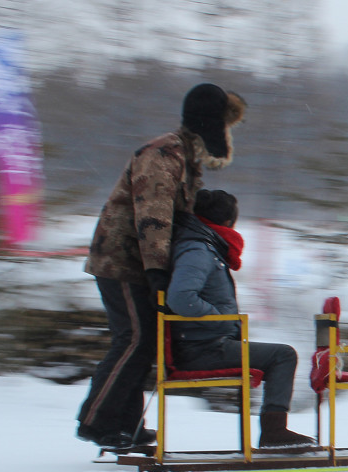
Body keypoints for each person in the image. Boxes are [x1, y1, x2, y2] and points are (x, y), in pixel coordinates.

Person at [77, 84, 247, 448]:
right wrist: (158, 272)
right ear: (210, 126)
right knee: (135, 339)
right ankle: (98, 419)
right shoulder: (164, 156)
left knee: (144, 341)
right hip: (122, 260)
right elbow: (154, 217)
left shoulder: (185, 159)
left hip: (138, 260)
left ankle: (125, 425)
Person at [167, 189, 315, 448]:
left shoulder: (202, 245)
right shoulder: (198, 249)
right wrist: (219, 319)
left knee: (279, 354)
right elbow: (181, 298)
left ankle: (274, 430)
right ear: (227, 222)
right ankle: (274, 432)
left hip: (202, 343)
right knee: (283, 355)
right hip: (201, 349)